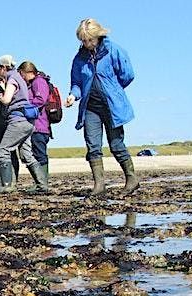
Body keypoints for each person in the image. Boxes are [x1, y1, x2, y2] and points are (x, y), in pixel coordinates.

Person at [65, 18, 138, 197]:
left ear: (98, 36)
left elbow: (127, 75)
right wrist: (73, 95)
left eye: (90, 39)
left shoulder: (114, 50)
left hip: (112, 106)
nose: (87, 43)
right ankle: (99, 185)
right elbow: (77, 83)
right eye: (83, 40)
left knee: (116, 144)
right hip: (90, 107)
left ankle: (132, 178)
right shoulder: (79, 59)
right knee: (93, 146)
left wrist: (114, 89)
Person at [0, 55, 48, 194]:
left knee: (3, 150)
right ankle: (42, 184)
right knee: (27, 154)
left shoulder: (12, 79)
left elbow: (6, 100)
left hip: (17, 121)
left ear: (3, 67)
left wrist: (0, 95)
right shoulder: (20, 78)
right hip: (28, 122)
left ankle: (7, 185)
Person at [19, 61, 53, 183]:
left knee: (40, 154)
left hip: (40, 125)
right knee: (36, 153)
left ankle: (43, 182)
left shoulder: (39, 82)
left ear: (28, 72)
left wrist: (24, 105)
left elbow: (41, 100)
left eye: (22, 74)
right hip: (37, 125)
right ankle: (40, 182)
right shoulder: (35, 82)